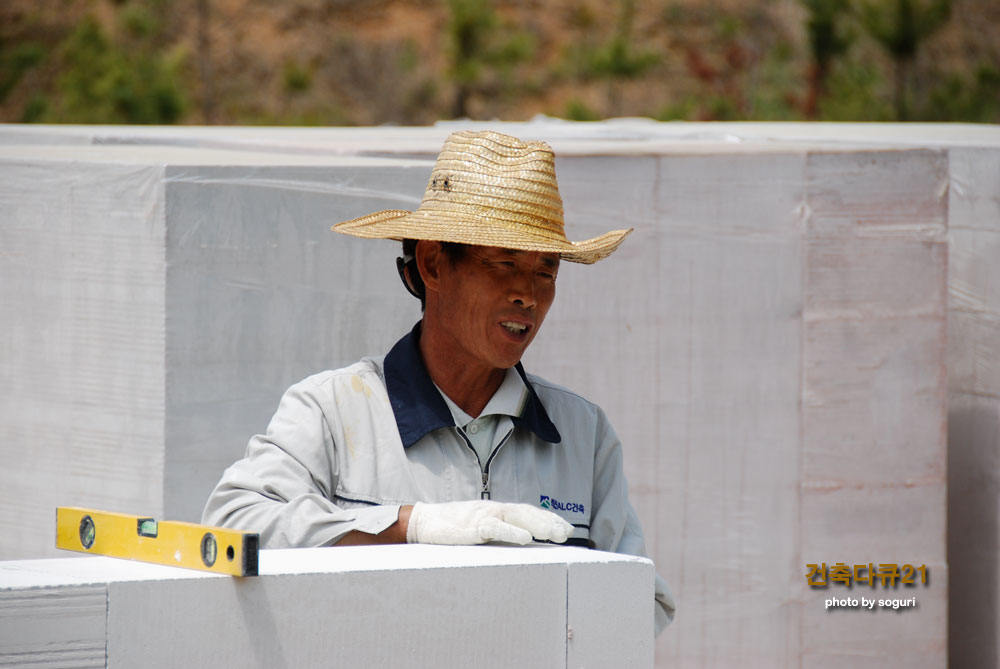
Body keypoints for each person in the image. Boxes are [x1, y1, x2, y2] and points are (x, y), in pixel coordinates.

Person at [202, 129, 675, 635]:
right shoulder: (333, 410)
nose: (528, 295)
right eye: (505, 263)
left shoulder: (583, 432)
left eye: (547, 271)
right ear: (432, 263)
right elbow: (232, 525)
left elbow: (644, 601)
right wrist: (411, 527)